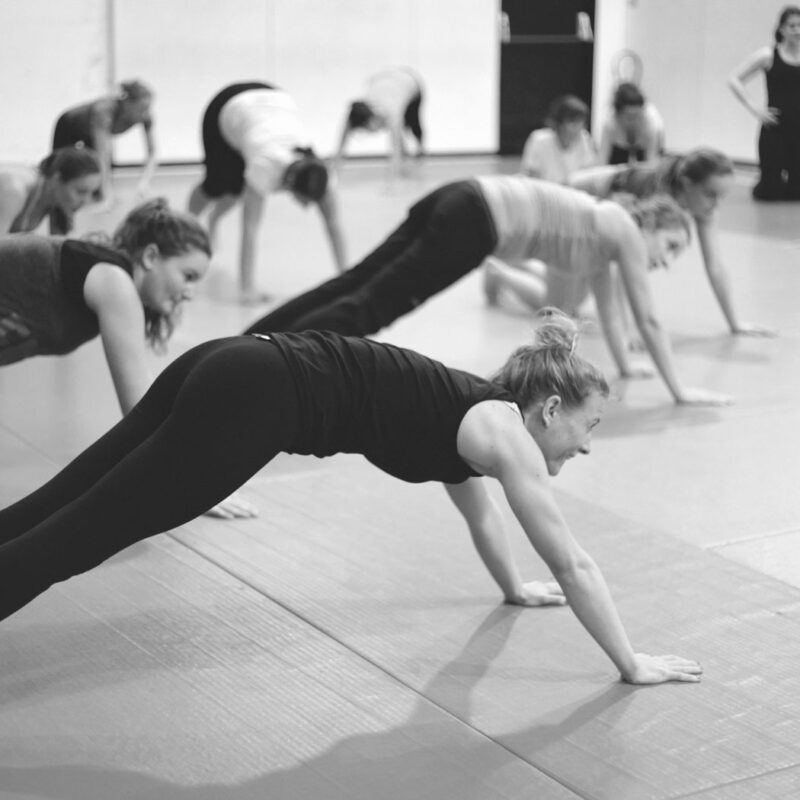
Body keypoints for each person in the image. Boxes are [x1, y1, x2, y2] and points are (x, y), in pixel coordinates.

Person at [0, 309, 703, 686]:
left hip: (232, 358)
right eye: (589, 426)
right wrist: (631, 663)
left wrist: (514, 584)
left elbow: (477, 510)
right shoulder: (504, 431)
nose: (587, 446)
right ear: (550, 409)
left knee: (66, 500)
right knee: (82, 535)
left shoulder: (474, 418)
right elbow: (576, 563)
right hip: (257, 395)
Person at [244, 176, 730, 406]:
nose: (665, 261)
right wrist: (680, 390)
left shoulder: (605, 243)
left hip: (461, 196)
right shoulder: (623, 227)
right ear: (654, 223)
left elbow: (611, 309)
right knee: (370, 307)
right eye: (670, 246)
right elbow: (648, 318)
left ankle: (252, 343)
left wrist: (627, 366)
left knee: (353, 285)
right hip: (475, 220)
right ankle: (269, 369)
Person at [0, 198, 210, 417]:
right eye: (188, 276)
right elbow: (138, 408)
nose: (190, 293)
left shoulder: (105, 274)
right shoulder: (114, 281)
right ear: (150, 257)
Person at [568, 150, 775, 337]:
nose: (716, 204)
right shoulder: (655, 199)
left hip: (595, 215)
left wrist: (734, 324)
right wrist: (625, 333)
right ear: (687, 184)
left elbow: (715, 267)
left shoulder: (704, 207)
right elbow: (624, 265)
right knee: (564, 302)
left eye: (722, 197)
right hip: (572, 197)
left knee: (571, 299)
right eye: (711, 194)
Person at [187, 81, 346, 304]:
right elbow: (250, 227)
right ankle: (188, 222)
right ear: (289, 185)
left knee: (236, 190)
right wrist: (247, 289)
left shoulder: (322, 172)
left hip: (273, 99)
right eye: (306, 201)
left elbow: (334, 223)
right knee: (219, 186)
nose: (309, 207)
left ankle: (214, 220)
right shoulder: (266, 167)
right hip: (226, 107)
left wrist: (346, 280)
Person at [728, 6, 800, 200]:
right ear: (782, 29)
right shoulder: (768, 55)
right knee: (770, 191)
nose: (797, 30)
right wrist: (755, 109)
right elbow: (734, 78)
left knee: (796, 191)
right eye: (792, 26)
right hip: (775, 126)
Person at [52, 80, 157, 205]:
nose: (145, 113)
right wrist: (108, 196)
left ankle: (96, 198)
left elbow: (152, 152)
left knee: (96, 179)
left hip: (89, 133)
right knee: (61, 169)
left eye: (148, 108)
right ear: (127, 103)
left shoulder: (145, 117)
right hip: (69, 124)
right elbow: (103, 154)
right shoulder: (104, 111)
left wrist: (144, 183)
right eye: (141, 108)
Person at [333, 67, 424, 177]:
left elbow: (394, 148)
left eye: (369, 128)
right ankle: (406, 157)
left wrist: (393, 178)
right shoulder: (356, 114)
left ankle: (419, 152)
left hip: (410, 82)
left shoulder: (392, 111)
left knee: (412, 123)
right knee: (398, 132)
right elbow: (341, 143)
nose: (370, 132)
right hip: (384, 79)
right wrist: (335, 171)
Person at [0, 147, 101, 235]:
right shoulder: (13, 190)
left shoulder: (55, 200)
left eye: (92, 193)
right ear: (56, 179)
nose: (86, 200)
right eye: (81, 192)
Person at [521, 95, 596, 184]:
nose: (577, 129)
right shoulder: (539, 140)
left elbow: (588, 175)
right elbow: (531, 177)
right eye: (572, 123)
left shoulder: (584, 139)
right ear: (560, 123)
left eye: (581, 123)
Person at [598, 82, 664, 166]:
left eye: (638, 116)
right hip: (619, 147)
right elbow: (603, 159)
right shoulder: (610, 122)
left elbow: (651, 160)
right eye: (630, 117)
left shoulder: (653, 123)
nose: (635, 121)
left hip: (645, 146)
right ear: (618, 116)